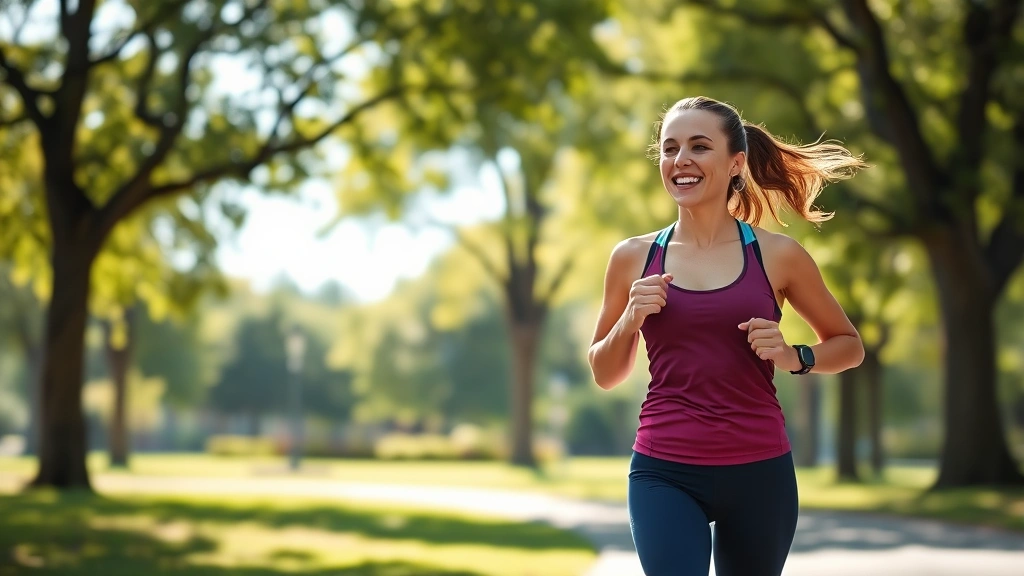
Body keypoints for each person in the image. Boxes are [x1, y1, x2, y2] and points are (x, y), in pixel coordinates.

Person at [587, 96, 867, 576]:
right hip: (664, 470)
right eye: (670, 149)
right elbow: (605, 373)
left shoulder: (778, 256)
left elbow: (849, 346)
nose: (681, 161)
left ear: (736, 163)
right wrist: (630, 319)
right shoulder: (633, 257)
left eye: (699, 146)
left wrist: (794, 354)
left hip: (760, 471)